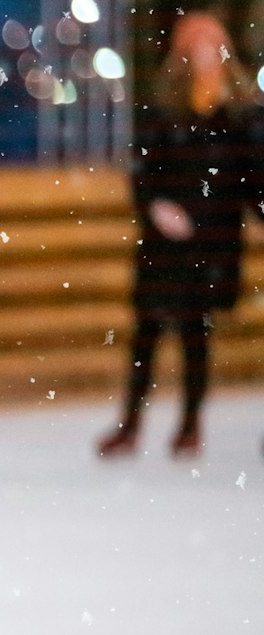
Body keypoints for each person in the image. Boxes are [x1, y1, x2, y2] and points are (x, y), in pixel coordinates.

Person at [96, 12, 264, 461]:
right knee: (147, 335)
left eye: (213, 48)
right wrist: (155, 206)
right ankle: (130, 424)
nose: (205, 57)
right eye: (197, 48)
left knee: (196, 336)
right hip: (163, 246)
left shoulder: (240, 115)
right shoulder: (164, 110)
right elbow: (142, 173)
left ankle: (190, 424)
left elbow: (253, 182)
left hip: (214, 242)